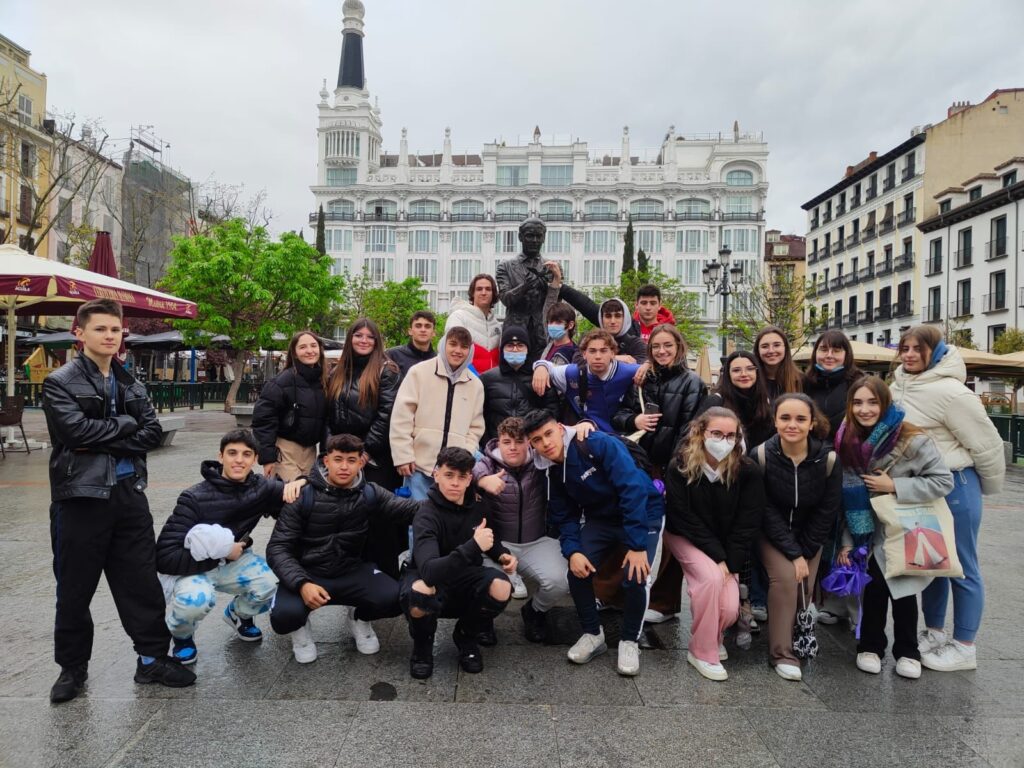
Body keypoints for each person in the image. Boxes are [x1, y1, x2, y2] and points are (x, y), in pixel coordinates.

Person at [43, 298, 194, 703]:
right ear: (80, 333)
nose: (110, 336)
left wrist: (107, 433)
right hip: (81, 497)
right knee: (74, 589)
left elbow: (152, 433)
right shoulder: (60, 382)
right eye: (101, 329)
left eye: (115, 329)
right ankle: (72, 668)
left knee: (140, 583)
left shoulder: (131, 382)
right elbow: (74, 433)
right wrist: (126, 426)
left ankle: (151, 659)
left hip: (129, 496)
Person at [890, 326, 1005, 672]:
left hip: (956, 484)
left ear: (936, 351)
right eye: (905, 348)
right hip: (920, 486)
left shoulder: (953, 392)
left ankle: (965, 645)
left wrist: (983, 488)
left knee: (963, 566)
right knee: (932, 563)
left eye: (918, 348)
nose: (910, 354)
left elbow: (987, 445)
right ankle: (935, 632)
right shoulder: (897, 386)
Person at [525, 409, 665, 677]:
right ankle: (592, 633)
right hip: (602, 519)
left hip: (643, 511)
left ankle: (629, 640)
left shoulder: (596, 443)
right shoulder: (550, 470)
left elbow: (632, 489)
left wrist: (637, 546)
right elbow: (564, 515)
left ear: (560, 428)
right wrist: (573, 551)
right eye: (537, 440)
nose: (546, 443)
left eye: (548, 433)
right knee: (577, 570)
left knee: (636, 576)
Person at [835, 377, 953, 679]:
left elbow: (943, 481)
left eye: (872, 402)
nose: (864, 409)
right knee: (873, 588)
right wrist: (847, 540)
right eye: (857, 402)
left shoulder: (912, 438)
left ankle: (908, 651)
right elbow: (844, 497)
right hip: (867, 529)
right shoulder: (846, 438)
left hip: (906, 526)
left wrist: (895, 486)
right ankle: (870, 646)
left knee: (904, 591)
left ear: (885, 403)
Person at [156, 429, 307, 665]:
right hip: (194, 566)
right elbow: (165, 556)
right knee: (195, 601)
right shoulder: (194, 497)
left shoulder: (261, 488)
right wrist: (224, 552)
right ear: (221, 456)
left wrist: (302, 482)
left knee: (271, 584)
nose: (239, 460)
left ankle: (238, 614)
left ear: (255, 459)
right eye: (232, 453)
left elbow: (310, 487)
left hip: (236, 561)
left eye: (246, 454)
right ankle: (182, 636)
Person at [266, 434, 420, 663]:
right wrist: (301, 583)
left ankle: (358, 618)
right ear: (326, 461)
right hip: (307, 572)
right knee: (284, 616)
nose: (344, 467)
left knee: (396, 598)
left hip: (351, 570)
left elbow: (411, 510)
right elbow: (277, 547)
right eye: (338, 459)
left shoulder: (370, 493)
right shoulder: (302, 495)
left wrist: (456, 499)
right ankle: (300, 629)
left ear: (361, 463)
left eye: (351, 460)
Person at [663, 407, 764, 681]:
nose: (724, 441)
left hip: (727, 544)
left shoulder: (747, 471)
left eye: (731, 435)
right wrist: (717, 557)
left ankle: (713, 635)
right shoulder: (681, 465)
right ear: (700, 432)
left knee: (729, 608)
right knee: (709, 580)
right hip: (685, 536)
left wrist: (730, 561)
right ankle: (702, 651)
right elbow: (683, 517)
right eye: (716, 433)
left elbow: (748, 521)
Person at [400, 447, 516, 678]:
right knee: (420, 592)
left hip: (465, 575)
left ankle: (466, 635)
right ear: (436, 475)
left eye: (462, 477)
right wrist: (474, 546)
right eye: (449, 475)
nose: (455, 483)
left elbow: (488, 539)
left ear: (469, 479)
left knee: (502, 587)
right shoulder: (426, 514)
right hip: (430, 577)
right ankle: (422, 646)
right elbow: (429, 571)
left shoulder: (478, 505)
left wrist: (503, 555)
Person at [756, 393, 841, 681]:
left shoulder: (828, 459)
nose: (792, 424)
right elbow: (764, 509)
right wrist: (793, 554)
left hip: (810, 534)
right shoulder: (761, 455)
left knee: (803, 587)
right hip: (771, 533)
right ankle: (781, 653)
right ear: (775, 421)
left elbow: (827, 511)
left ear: (812, 423)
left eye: (800, 419)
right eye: (785, 418)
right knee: (786, 580)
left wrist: (805, 550)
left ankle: (796, 638)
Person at [473, 416, 572, 643]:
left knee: (561, 580)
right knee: (489, 584)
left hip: (535, 541)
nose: (513, 447)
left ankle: (534, 612)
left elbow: (563, 440)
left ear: (528, 442)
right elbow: (468, 474)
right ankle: (483, 620)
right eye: (507, 442)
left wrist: (586, 424)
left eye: (519, 441)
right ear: (498, 442)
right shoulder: (488, 464)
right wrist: (482, 481)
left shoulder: (540, 461)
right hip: (497, 544)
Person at [326, 318, 404, 576]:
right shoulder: (336, 372)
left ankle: (386, 577)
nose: (364, 340)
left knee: (379, 520)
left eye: (370, 337)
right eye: (358, 335)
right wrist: (331, 450)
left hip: (374, 457)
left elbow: (386, 415)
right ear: (350, 338)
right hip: (341, 454)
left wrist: (365, 451)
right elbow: (328, 415)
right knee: (345, 518)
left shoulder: (386, 371)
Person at [390, 325, 485, 500]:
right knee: (418, 515)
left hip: (454, 472)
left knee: (449, 516)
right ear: (443, 344)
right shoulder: (419, 372)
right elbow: (401, 417)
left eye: (464, 347)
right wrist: (402, 455)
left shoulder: (475, 384)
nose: (458, 351)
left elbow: (476, 427)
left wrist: (465, 454)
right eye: (453, 344)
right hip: (418, 467)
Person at [614, 324, 707, 474]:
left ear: (678, 346)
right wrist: (634, 420)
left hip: (672, 467)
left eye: (668, 345)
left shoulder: (692, 382)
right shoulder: (643, 379)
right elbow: (619, 415)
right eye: (656, 346)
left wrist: (673, 467)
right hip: (638, 462)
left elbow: (689, 431)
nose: (661, 351)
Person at [251, 330, 327, 481]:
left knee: (307, 492)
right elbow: (263, 420)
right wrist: (268, 458)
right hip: (286, 449)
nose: (310, 351)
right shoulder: (281, 382)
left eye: (313, 346)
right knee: (290, 492)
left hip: (311, 451)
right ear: (294, 353)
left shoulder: (323, 381)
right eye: (303, 347)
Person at [532, 329, 641, 432]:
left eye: (603, 351)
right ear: (584, 354)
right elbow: (549, 367)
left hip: (621, 434)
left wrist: (647, 364)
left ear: (613, 353)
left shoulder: (628, 371)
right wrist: (541, 366)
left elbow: (648, 368)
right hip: (586, 435)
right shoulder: (573, 373)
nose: (598, 356)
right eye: (592, 351)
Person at [495, 217, 562, 356]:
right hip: (515, 336)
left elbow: (556, 306)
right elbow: (505, 299)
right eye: (530, 236)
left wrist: (551, 286)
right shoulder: (505, 266)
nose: (535, 240)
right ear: (520, 237)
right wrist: (525, 286)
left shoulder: (553, 268)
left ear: (544, 238)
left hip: (543, 336)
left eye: (539, 236)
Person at [480, 324, 559, 443]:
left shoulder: (540, 376)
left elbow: (553, 412)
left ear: (528, 349)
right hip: (498, 444)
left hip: (531, 444)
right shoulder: (487, 379)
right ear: (502, 349)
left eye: (520, 345)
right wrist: (488, 444)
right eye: (510, 345)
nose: (515, 349)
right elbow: (480, 415)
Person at [697, 350, 774, 449]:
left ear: (757, 372)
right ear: (728, 374)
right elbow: (696, 437)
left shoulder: (766, 401)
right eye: (736, 370)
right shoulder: (715, 401)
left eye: (750, 369)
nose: (744, 374)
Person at [558, 284, 647, 363]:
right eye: (608, 316)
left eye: (618, 316)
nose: (613, 321)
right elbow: (578, 362)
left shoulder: (636, 344)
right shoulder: (588, 340)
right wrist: (614, 358)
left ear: (625, 318)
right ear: (601, 319)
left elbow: (642, 366)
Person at [802, 330, 863, 439]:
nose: (829, 355)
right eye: (824, 349)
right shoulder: (803, 383)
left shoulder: (860, 385)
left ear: (847, 355)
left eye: (836, 350)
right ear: (815, 353)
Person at [445, 274, 502, 373]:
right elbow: (452, 351)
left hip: (493, 381)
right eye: (479, 289)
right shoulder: (459, 317)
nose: (483, 292)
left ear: (493, 294)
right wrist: (473, 376)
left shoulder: (497, 325)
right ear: (472, 293)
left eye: (488, 289)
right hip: (466, 379)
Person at [754, 326, 803, 400]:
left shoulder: (802, 381)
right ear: (758, 350)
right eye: (765, 346)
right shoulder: (751, 380)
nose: (771, 351)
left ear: (785, 348)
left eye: (777, 345)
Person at [386, 310, 437, 379]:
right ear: (410, 331)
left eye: (427, 326)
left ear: (433, 333)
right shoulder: (393, 355)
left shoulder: (438, 361)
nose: (423, 330)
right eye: (418, 326)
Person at [540, 301, 578, 367]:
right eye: (550, 322)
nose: (553, 325)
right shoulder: (550, 343)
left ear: (570, 325)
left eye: (558, 322)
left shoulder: (572, 353)